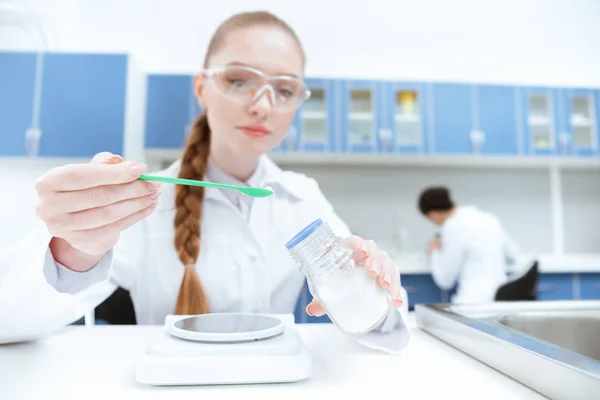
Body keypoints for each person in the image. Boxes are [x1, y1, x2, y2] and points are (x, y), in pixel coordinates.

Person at [0, 11, 409, 352]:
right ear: (202, 87)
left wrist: (373, 286)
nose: (263, 105)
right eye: (238, 80)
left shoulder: (302, 197)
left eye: (283, 90)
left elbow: (386, 333)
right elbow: (9, 320)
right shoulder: (142, 198)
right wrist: (72, 249)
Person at [418, 186, 526, 304]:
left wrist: (435, 251)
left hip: (472, 303)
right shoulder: (489, 219)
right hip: (501, 300)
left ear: (433, 214)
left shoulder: (453, 226)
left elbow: (445, 280)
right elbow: (514, 255)